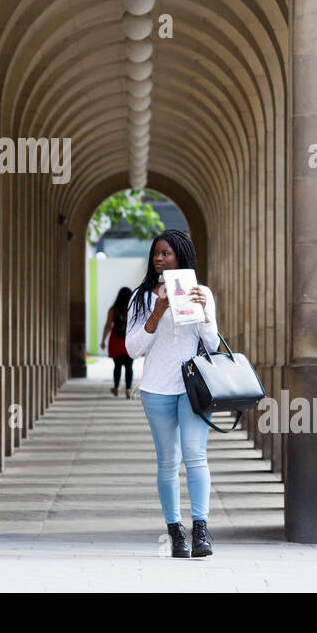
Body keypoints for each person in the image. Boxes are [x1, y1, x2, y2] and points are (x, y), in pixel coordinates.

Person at [125, 229, 220, 559]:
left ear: (181, 255)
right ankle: (175, 531)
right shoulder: (141, 298)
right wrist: (158, 311)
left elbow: (212, 344)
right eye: (156, 254)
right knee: (169, 460)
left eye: (166, 253)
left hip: (194, 387)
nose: (159, 259)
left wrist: (206, 314)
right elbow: (133, 348)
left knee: (195, 455)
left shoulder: (200, 292)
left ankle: (201, 530)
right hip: (156, 388)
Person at [99, 286, 135, 398]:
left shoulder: (113, 310)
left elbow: (108, 325)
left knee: (117, 366)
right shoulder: (132, 309)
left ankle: (116, 387)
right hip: (128, 341)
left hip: (116, 341)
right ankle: (128, 389)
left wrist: (103, 340)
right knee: (129, 366)